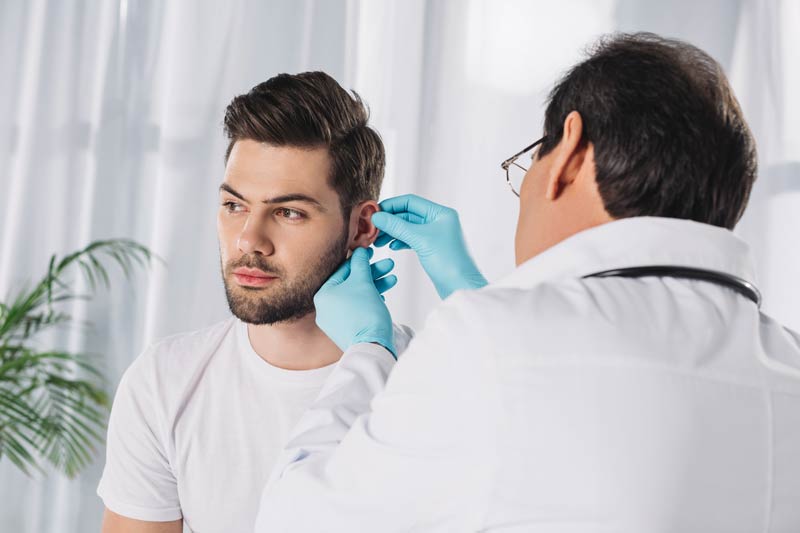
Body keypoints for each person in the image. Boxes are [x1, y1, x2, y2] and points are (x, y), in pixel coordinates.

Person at [255, 33, 800, 532]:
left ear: (570, 150)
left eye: (526, 165)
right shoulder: (788, 365)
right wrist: (475, 299)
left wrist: (367, 351)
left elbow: (295, 519)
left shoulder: (488, 341)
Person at [97, 72, 413, 533]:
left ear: (363, 226)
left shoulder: (428, 381)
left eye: (289, 212)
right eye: (234, 206)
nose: (249, 240)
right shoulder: (165, 383)